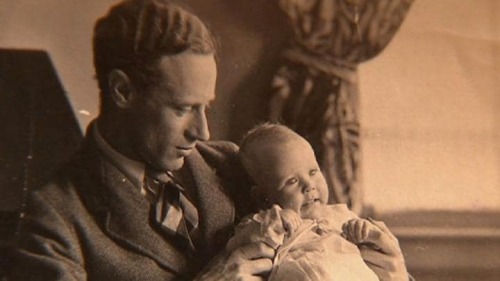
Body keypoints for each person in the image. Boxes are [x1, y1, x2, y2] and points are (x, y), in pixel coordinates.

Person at [7, 1, 411, 280]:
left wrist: (391, 273)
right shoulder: (53, 221)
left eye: (206, 107)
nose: (203, 132)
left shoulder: (231, 165)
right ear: (122, 92)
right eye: (182, 109)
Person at [227, 123, 407, 280]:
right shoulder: (263, 222)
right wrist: (275, 222)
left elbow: (374, 255)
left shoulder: (340, 215)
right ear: (261, 197)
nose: (309, 185)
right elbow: (241, 246)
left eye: (313, 172)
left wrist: (363, 232)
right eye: (292, 181)